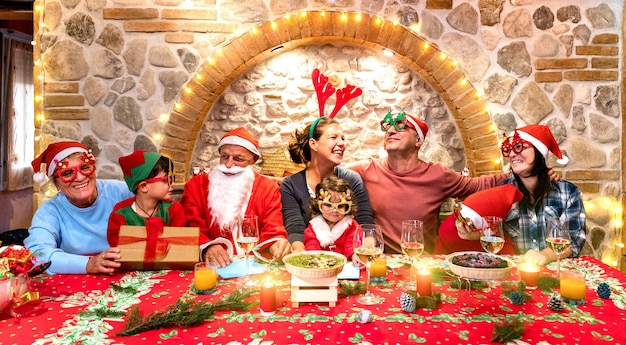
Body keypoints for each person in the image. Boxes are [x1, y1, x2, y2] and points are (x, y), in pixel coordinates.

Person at [346, 110, 508, 254]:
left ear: (418, 140)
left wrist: (519, 174)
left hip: (423, 262)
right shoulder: (366, 170)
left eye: (401, 126)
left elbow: (478, 186)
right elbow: (329, 174)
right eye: (388, 127)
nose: (391, 130)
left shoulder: (438, 175)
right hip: (382, 262)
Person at [180, 127, 291, 268]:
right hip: (213, 267)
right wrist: (207, 247)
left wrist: (277, 243)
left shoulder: (268, 188)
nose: (228, 164)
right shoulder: (195, 186)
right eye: (224, 156)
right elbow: (191, 229)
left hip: (254, 265)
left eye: (238, 159)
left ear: (252, 161)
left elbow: (273, 228)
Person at [479, 124, 585, 265]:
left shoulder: (568, 192)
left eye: (518, 147)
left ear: (538, 151)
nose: (511, 154)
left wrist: (546, 255)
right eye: (508, 149)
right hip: (515, 274)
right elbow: (489, 230)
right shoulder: (501, 192)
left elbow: (575, 240)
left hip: (555, 274)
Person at [24, 141, 133, 274]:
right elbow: (37, 254)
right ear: (56, 184)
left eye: (85, 167)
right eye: (67, 173)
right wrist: (88, 264)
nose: (80, 177)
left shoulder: (122, 192)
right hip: (80, 283)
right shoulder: (50, 211)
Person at [281, 117, 374, 252]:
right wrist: (303, 259)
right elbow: (295, 229)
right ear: (313, 144)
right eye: (333, 137)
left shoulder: (352, 179)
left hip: (349, 260)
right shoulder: (291, 185)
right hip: (311, 257)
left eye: (343, 138)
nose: (342, 143)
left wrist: (366, 253)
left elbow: (365, 224)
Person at [107, 150, 187, 247]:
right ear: (144, 186)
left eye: (172, 179)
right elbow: (118, 248)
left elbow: (179, 245)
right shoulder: (120, 214)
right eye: (166, 180)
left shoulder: (174, 209)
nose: (172, 184)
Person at [304, 176, 360, 261]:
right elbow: (311, 244)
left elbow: (351, 244)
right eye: (328, 205)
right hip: (321, 267)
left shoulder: (352, 226)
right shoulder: (314, 226)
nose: (334, 210)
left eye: (340, 206)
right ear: (318, 205)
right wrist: (315, 258)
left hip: (345, 267)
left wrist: (353, 255)